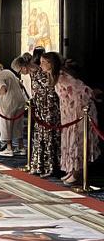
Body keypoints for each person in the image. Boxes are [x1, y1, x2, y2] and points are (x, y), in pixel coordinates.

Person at [45, 51, 101, 185]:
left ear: (51, 63)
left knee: (77, 141)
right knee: (69, 141)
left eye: (43, 62)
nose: (40, 65)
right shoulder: (56, 76)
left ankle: (77, 172)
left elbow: (82, 90)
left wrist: (89, 99)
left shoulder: (64, 76)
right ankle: (71, 169)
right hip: (68, 114)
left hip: (78, 113)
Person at [12, 52, 60, 177]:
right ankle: (39, 165)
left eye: (19, 71)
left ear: (24, 67)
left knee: (49, 137)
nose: (21, 74)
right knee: (39, 137)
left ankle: (50, 167)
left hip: (49, 110)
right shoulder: (33, 73)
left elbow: (51, 91)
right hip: (40, 109)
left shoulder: (41, 73)